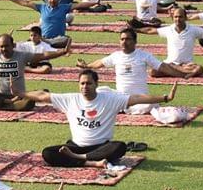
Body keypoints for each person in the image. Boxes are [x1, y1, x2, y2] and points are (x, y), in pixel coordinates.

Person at [22, 69, 177, 167]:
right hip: (75, 146)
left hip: (101, 148)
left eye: (88, 83)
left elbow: (137, 98)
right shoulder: (71, 99)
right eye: (82, 84)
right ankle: (89, 163)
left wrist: (164, 98)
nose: (84, 87)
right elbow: (42, 96)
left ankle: (80, 159)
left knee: (120, 146)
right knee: (48, 153)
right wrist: (19, 93)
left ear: (96, 84)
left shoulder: (110, 99)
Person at [76, 28, 190, 114]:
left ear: (135, 41)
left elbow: (163, 67)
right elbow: (99, 63)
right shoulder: (116, 56)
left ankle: (120, 108)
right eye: (122, 39)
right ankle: (120, 107)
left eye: (128, 39)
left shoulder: (144, 55)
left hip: (139, 99)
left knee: (149, 105)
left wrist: (182, 74)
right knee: (100, 90)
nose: (124, 42)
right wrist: (86, 66)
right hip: (120, 97)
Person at [134, 6, 203, 77]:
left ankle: (177, 72)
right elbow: (150, 30)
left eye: (180, 17)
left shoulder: (193, 29)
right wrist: (135, 30)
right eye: (176, 17)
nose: (178, 19)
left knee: (199, 69)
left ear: (185, 18)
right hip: (170, 64)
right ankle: (181, 73)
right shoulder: (168, 29)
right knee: (152, 71)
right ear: (173, 18)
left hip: (186, 65)